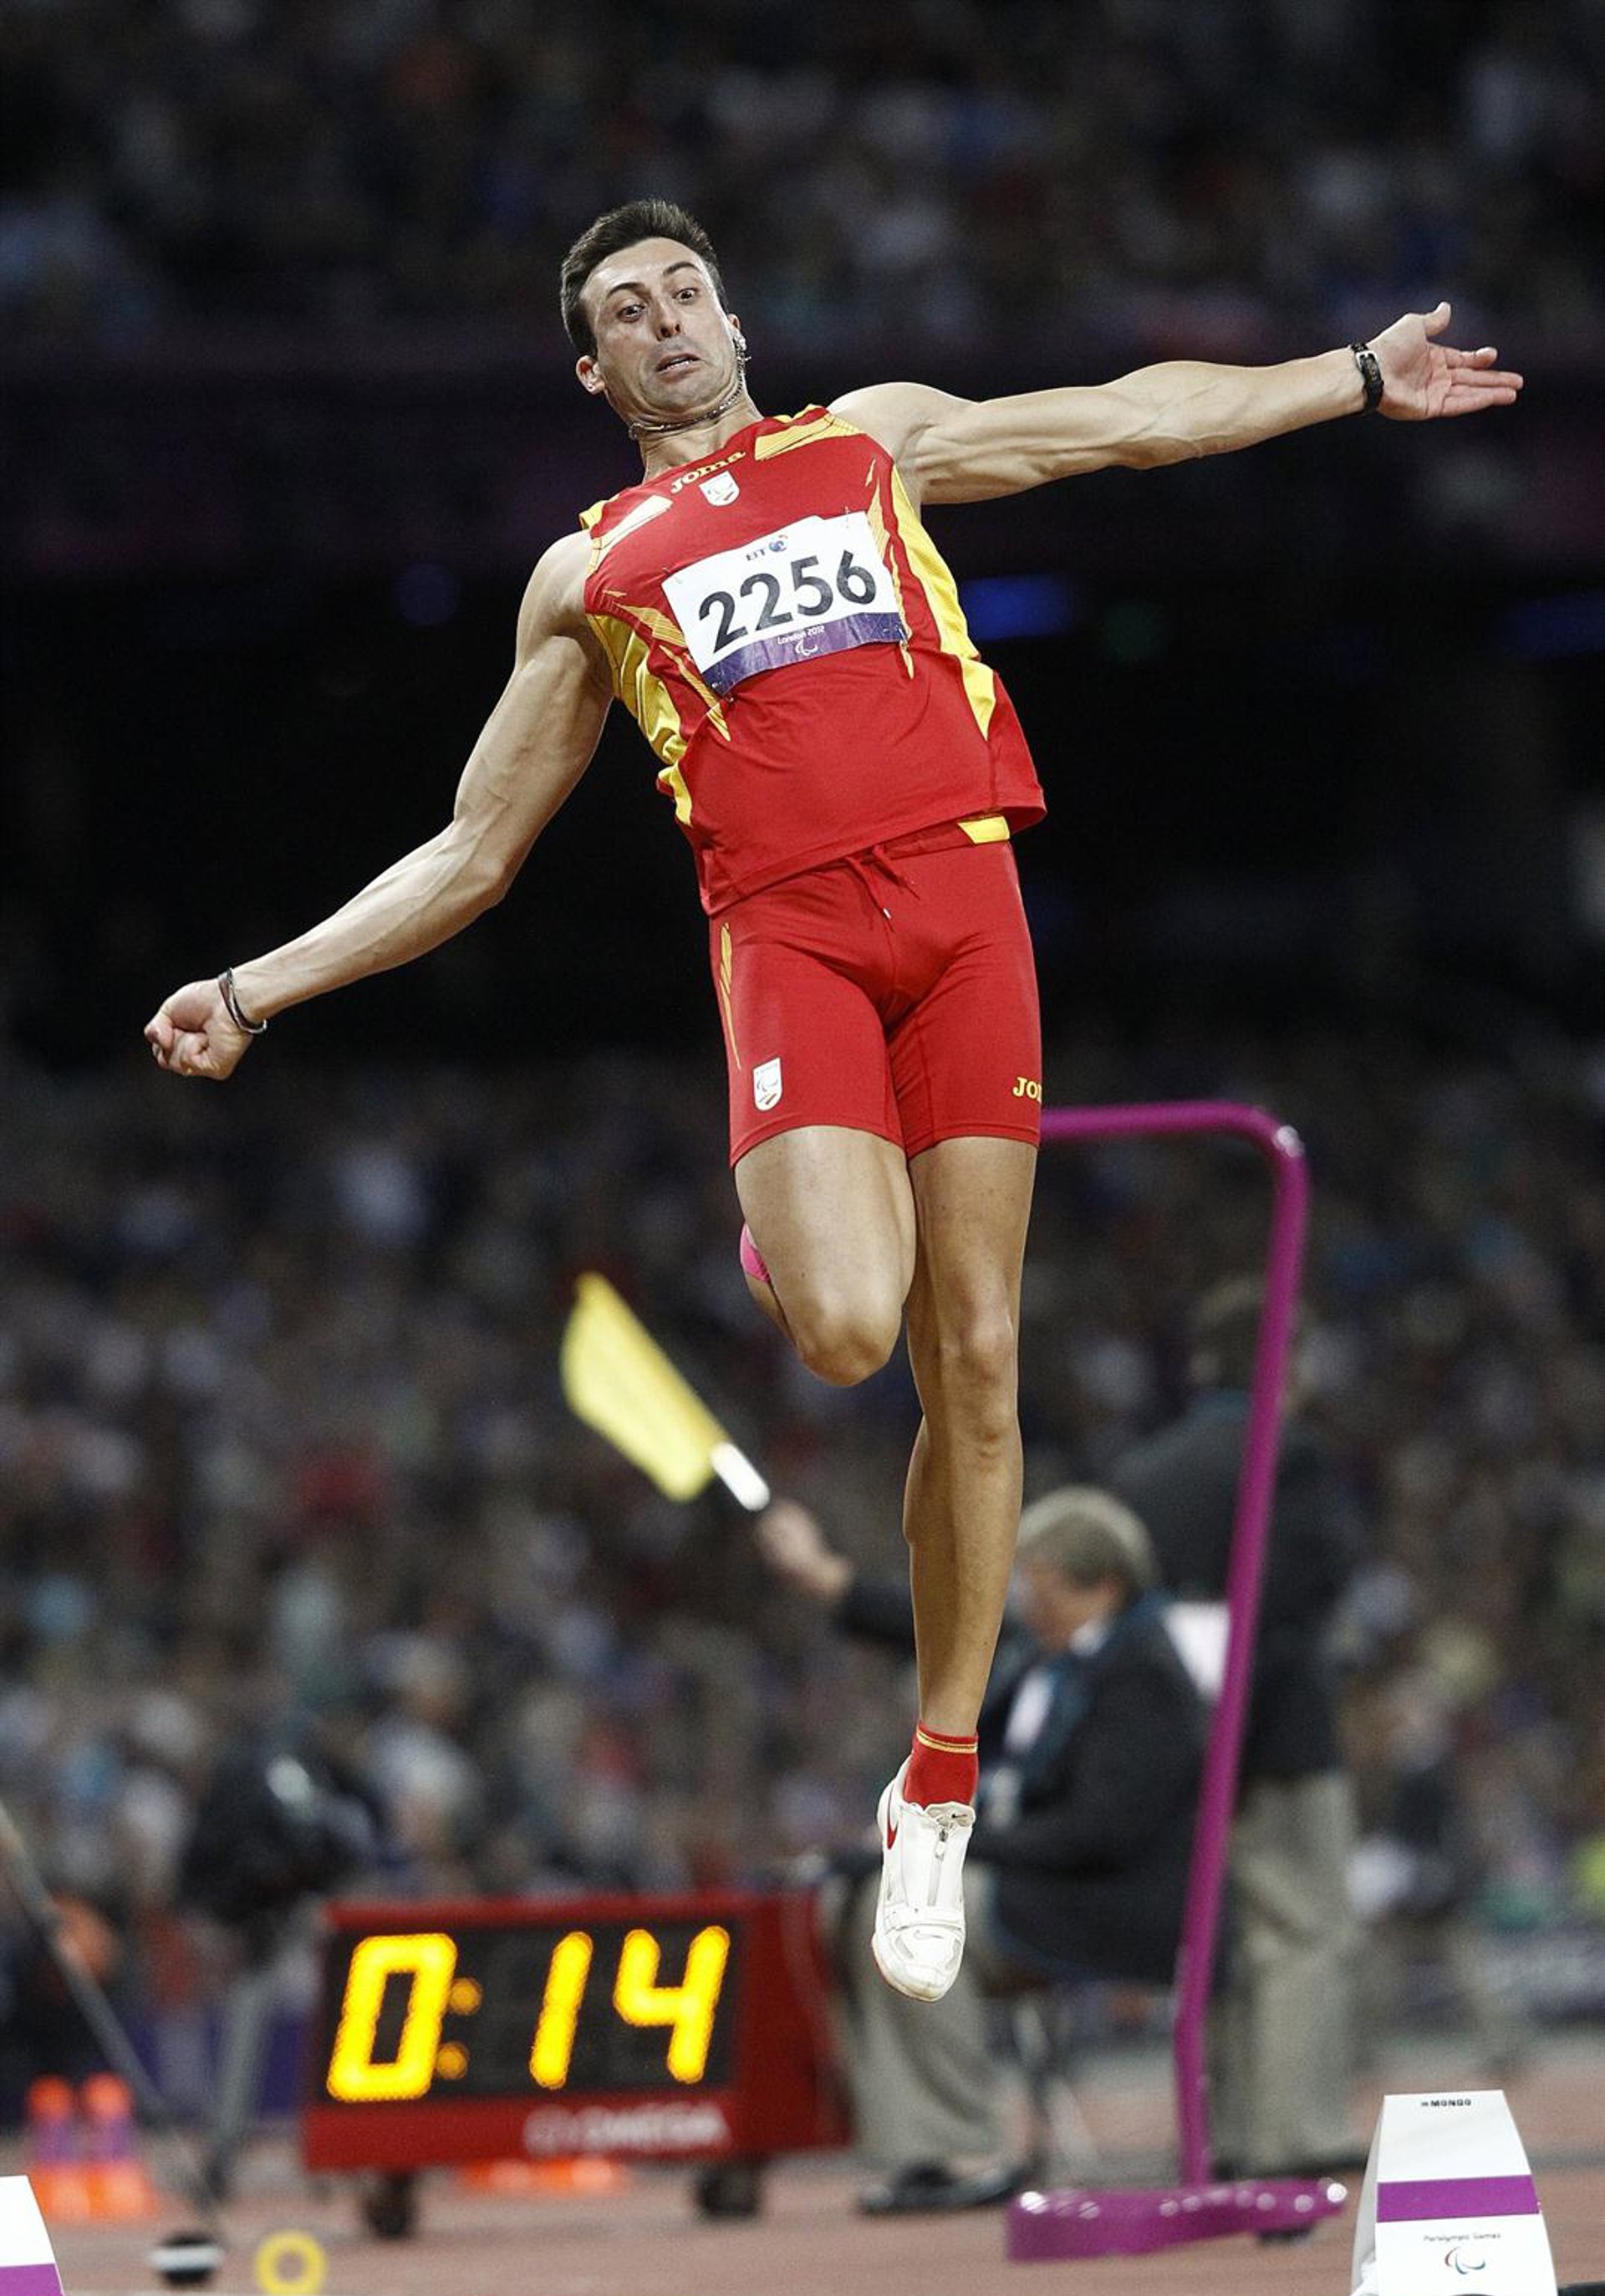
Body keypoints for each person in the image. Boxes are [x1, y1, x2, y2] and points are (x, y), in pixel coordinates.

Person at [143, 195, 1522, 2003]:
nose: (666, 319)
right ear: (593, 370)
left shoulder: (869, 443)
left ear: (733, 319)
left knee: (979, 1351)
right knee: (854, 1331)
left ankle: (935, 1783)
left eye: (686, 290)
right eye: (626, 309)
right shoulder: (590, 574)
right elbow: (475, 851)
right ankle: (788, 1228)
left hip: (963, 910)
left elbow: (1125, 417)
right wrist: (257, 985)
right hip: (788, 936)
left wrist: (1349, 378)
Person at [757, 1487, 1206, 2212]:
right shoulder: (1047, 1656)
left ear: (1100, 1586)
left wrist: (959, 1845)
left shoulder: (1140, 1674)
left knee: (910, 1908)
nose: (1021, 1597)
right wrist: (821, 1576)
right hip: (1035, 1878)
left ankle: (965, 2145)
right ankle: (919, 2147)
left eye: (1037, 1581)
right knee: (851, 1901)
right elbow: (927, 1624)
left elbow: (1101, 1831)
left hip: (1107, 1901)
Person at [1108, 1277, 1365, 2176]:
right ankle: (1293, 2135)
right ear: (1283, 1359)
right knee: (1300, 1933)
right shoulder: (1288, 1452)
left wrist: (1191, 1749)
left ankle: (1223, 2132)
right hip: (1279, 1741)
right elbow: (1299, 1599)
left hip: (1182, 1746)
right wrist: (1241, 1740)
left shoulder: (1143, 1472)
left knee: (1221, 1939)